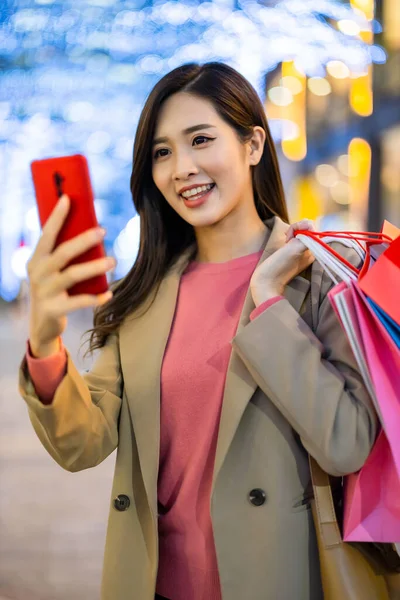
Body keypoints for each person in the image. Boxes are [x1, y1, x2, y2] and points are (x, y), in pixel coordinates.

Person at [18, 62, 378, 600]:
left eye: (201, 140)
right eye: (162, 152)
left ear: (253, 144)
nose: (181, 167)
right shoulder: (140, 297)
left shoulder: (326, 276)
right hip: (157, 586)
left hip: (282, 579)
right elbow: (83, 443)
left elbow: (347, 444)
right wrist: (44, 342)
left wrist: (268, 301)